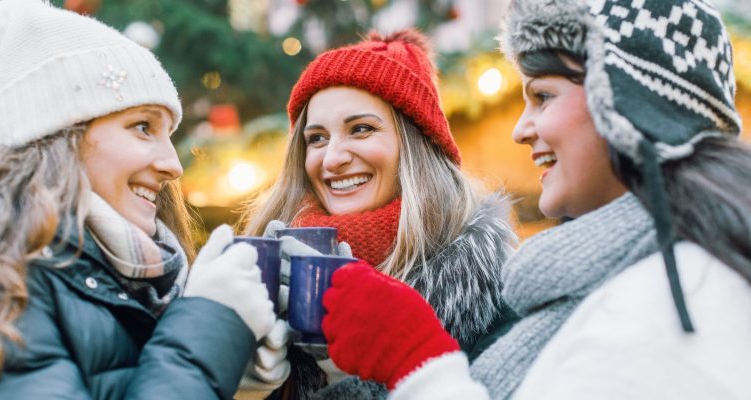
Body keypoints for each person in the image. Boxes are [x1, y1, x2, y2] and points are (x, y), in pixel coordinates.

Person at [318, 0, 751, 399]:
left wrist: (417, 363)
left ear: (628, 105)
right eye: (315, 138)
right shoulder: (601, 280)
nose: (521, 129)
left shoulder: (674, 301)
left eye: (543, 96)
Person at [0, 0, 277, 398]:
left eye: (168, 134)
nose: (173, 165)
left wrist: (230, 366)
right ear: (60, 137)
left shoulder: (129, 280)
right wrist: (207, 331)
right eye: (143, 127)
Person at [239, 29, 516, 399]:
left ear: (415, 147)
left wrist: (349, 380)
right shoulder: (269, 270)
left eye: (361, 129)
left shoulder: (495, 293)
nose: (333, 158)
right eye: (317, 138)